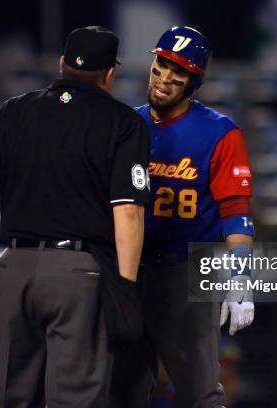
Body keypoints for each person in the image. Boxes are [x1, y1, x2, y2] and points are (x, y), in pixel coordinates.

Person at [0, 26, 150, 407]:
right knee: (74, 400)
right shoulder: (123, 122)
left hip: (14, 269)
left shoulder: (14, 110)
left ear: (62, 63)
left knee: (9, 399)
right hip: (78, 276)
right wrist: (126, 288)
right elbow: (128, 211)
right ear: (109, 74)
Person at [111, 26, 255, 407]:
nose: (164, 78)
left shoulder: (220, 133)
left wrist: (241, 278)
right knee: (119, 393)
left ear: (195, 82)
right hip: (129, 271)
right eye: (161, 65)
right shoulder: (128, 124)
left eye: (179, 72)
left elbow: (236, 215)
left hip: (187, 275)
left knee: (200, 395)